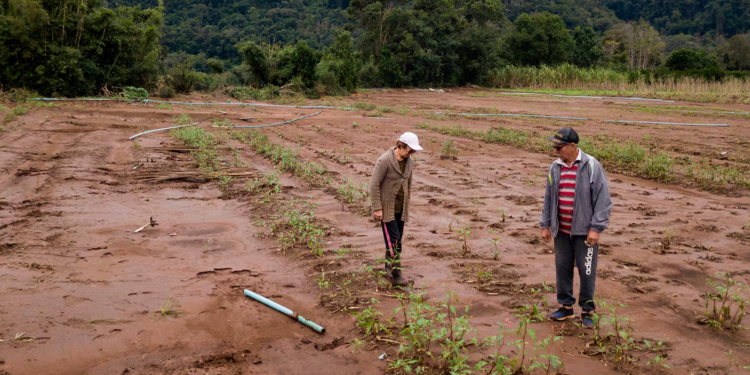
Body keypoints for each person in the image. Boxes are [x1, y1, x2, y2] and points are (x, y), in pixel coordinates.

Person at [540, 127, 612, 328]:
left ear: (573, 146)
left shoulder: (591, 166)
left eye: (559, 147)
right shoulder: (555, 167)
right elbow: (549, 198)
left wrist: (596, 228)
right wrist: (546, 224)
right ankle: (566, 307)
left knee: (586, 270)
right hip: (561, 230)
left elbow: (603, 201)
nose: (555, 151)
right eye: (554, 147)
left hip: (584, 232)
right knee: (562, 268)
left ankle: (588, 310)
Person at [369, 132, 422, 287]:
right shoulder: (385, 160)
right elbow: (374, 185)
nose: (411, 153)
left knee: (396, 240)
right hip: (386, 210)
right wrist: (377, 208)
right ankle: (396, 276)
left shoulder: (409, 162)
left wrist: (407, 205)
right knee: (394, 242)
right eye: (410, 150)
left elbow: (409, 184)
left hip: (400, 209)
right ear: (401, 145)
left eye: (413, 151)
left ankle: (388, 269)